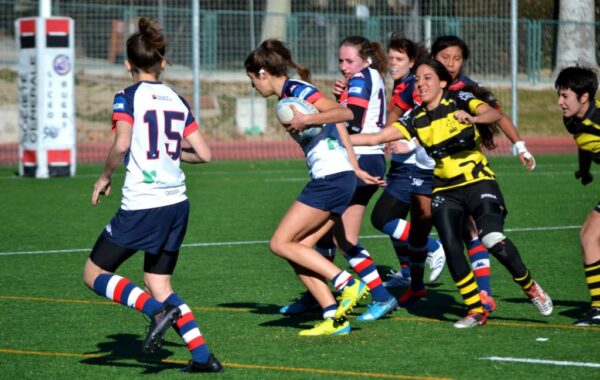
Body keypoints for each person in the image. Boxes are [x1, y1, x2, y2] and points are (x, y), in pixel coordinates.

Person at [354, 59, 553, 328]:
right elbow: (375, 138)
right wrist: (333, 132)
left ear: (443, 82)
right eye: (418, 79)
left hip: (477, 181)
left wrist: (473, 118)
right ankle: (475, 310)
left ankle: (530, 287)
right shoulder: (415, 117)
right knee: (451, 245)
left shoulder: (459, 98)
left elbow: (493, 114)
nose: (421, 83)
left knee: (493, 238)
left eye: (427, 78)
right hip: (444, 189)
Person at [82, 18, 222, 373]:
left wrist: (104, 176)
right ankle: (203, 357)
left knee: (94, 273)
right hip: (177, 204)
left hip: (144, 203)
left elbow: (122, 143)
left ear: (127, 65)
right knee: (159, 283)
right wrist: (174, 155)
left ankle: (155, 312)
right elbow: (204, 154)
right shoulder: (177, 98)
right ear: (162, 62)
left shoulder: (127, 96)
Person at [245, 39, 385, 335]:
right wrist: (356, 167)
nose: (253, 88)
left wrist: (308, 119)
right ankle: (335, 318)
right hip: (340, 175)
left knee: (280, 243)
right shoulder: (290, 93)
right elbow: (340, 126)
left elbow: (345, 114)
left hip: (330, 178)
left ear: (262, 73)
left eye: (251, 80)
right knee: (300, 249)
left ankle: (348, 283)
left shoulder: (298, 89)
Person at [280, 35, 399, 322]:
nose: (344, 67)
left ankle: (381, 297)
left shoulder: (361, 79)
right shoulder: (367, 76)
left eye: (349, 61)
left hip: (360, 158)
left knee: (340, 238)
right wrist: (338, 101)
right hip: (361, 158)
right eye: (340, 61)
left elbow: (352, 119)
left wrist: (318, 116)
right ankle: (317, 295)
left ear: (365, 59)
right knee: (329, 235)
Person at [430, 35, 537, 312]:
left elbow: (498, 116)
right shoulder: (422, 83)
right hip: (425, 166)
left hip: (462, 172)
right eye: (445, 58)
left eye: (457, 58)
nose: (451, 64)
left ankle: (484, 294)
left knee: (472, 231)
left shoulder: (467, 90)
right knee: (421, 225)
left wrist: (521, 146)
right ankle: (416, 279)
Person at [370, 34, 446, 294]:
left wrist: (410, 143)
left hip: (413, 165)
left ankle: (432, 247)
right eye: (391, 57)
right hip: (401, 164)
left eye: (399, 58)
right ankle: (407, 275)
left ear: (412, 62)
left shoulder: (414, 87)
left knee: (382, 218)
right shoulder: (400, 85)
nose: (393, 63)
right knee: (396, 222)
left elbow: (426, 119)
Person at [555, 66, 600, 326]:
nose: (560, 102)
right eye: (559, 95)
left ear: (584, 97)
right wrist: (584, 171)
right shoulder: (572, 119)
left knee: (590, 234)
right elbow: (585, 143)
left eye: (565, 96)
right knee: (589, 235)